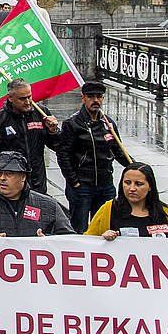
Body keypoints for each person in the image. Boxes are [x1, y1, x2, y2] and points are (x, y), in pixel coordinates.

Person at [56, 80, 131, 233]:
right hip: (82, 185)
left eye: (99, 97)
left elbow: (118, 150)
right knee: (79, 228)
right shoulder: (72, 123)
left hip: (105, 185)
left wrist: (135, 167)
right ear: (83, 98)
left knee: (105, 226)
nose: (95, 100)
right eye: (91, 96)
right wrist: (74, 181)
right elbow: (63, 154)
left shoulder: (108, 123)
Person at [86, 163, 168, 253]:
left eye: (138, 184)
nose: (131, 188)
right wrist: (103, 239)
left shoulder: (164, 211)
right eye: (127, 182)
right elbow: (86, 244)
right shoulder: (108, 209)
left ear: (150, 186)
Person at [0, 151, 73, 236]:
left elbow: (69, 239)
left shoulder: (48, 205)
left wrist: (47, 241)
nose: (2, 178)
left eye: (9, 174)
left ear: (23, 177)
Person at [0, 78, 60, 194]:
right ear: (10, 98)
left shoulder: (41, 113)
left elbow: (57, 146)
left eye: (29, 97)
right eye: (22, 99)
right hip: (10, 185)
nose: (27, 102)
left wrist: (54, 131)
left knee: (35, 211)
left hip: (37, 183)